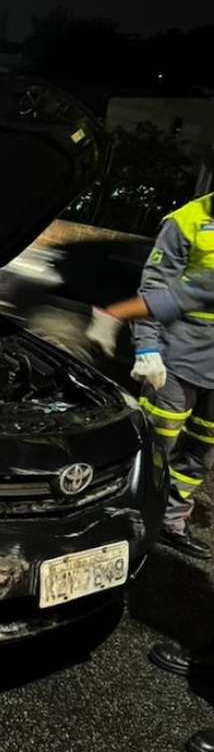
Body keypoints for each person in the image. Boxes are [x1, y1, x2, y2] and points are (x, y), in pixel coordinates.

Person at [87, 193, 214, 560]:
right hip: (175, 360)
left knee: (200, 453)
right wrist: (146, 347)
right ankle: (126, 521)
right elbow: (157, 289)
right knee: (154, 446)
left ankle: (171, 522)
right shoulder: (185, 221)